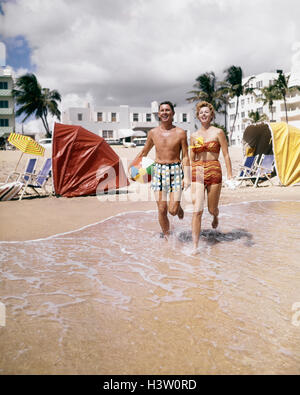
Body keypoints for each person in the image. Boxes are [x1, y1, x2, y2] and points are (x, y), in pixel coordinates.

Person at [129, 101, 190, 238]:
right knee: (162, 209)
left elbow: (185, 156)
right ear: (158, 114)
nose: (164, 112)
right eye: (162, 110)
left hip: (175, 171)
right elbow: (144, 152)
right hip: (158, 170)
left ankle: (177, 207)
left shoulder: (181, 133)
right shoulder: (153, 133)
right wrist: (132, 167)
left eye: (167, 110)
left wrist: (187, 176)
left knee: (172, 211)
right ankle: (167, 237)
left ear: (173, 113)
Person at [190, 101, 232, 252]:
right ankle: (195, 246)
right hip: (198, 170)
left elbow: (226, 155)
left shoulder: (218, 132)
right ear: (198, 116)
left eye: (207, 112)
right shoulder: (193, 135)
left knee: (211, 208)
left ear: (212, 115)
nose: (204, 114)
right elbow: (190, 157)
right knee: (197, 210)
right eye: (201, 113)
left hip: (214, 169)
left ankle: (215, 216)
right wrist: (187, 177)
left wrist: (230, 175)